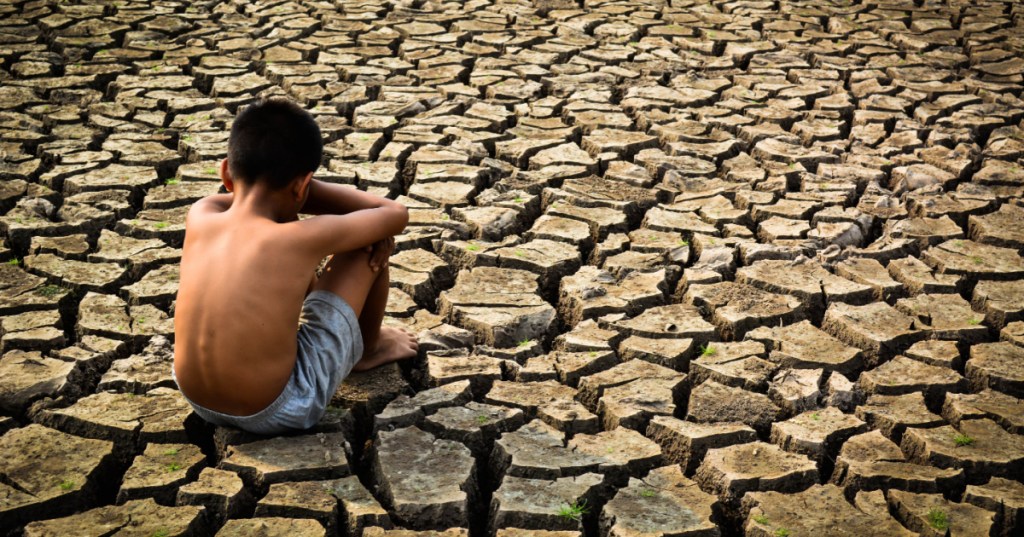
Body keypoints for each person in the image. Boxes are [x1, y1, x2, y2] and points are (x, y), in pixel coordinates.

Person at [172, 98, 418, 434]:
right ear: (302, 185)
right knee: (368, 242)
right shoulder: (298, 238)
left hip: (198, 399)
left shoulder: (203, 213)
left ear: (225, 172)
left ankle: (361, 344)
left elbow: (254, 201)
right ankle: (368, 348)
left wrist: (290, 186)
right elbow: (393, 216)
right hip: (280, 408)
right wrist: (301, 188)